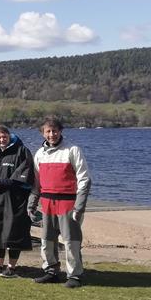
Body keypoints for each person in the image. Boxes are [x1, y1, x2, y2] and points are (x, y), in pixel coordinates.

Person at [27, 117, 92, 288]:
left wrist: (80, 206)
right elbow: (37, 182)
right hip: (47, 203)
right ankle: (51, 270)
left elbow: (84, 179)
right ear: (43, 133)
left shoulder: (72, 150)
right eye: (48, 131)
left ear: (60, 131)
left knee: (71, 241)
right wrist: (32, 204)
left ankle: (75, 275)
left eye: (54, 131)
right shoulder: (40, 154)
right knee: (47, 240)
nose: (51, 134)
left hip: (68, 203)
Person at [0, 125, 34, 278]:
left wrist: (5, 183)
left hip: (15, 199)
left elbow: (25, 174)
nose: (2, 140)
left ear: (9, 135)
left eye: (4, 136)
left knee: (13, 233)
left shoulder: (22, 151)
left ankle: (11, 268)